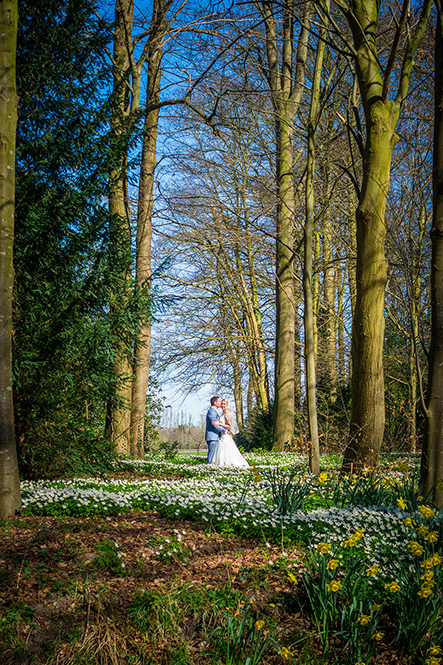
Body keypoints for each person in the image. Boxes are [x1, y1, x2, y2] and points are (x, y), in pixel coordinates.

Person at [212, 399, 249, 468]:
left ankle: (228, 464)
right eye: (222, 404)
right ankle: (221, 464)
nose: (222, 405)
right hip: (222, 435)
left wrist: (219, 424)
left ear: (227, 405)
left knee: (226, 450)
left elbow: (229, 427)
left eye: (224, 404)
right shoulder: (222, 414)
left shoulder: (228, 414)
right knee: (221, 450)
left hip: (226, 436)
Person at [205, 396, 230, 463]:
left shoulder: (214, 411)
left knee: (214, 455)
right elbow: (215, 425)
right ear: (215, 402)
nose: (220, 403)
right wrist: (225, 431)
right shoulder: (212, 411)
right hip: (212, 437)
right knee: (212, 455)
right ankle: (209, 467)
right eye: (219, 401)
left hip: (216, 436)